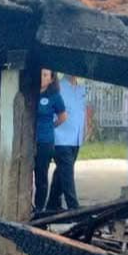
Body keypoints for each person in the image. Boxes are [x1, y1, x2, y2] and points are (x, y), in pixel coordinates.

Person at [47, 74, 86, 211]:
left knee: (62, 172)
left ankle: (52, 205)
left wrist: (85, 130)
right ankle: (73, 208)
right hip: (61, 138)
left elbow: (81, 111)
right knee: (67, 173)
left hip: (75, 138)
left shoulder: (81, 89)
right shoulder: (58, 87)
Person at [34, 68, 67, 216]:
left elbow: (62, 117)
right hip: (28, 141)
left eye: (45, 75)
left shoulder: (54, 96)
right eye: (40, 74)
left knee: (41, 176)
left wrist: (50, 126)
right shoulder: (30, 92)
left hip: (44, 141)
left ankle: (39, 209)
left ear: (51, 79)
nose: (41, 77)